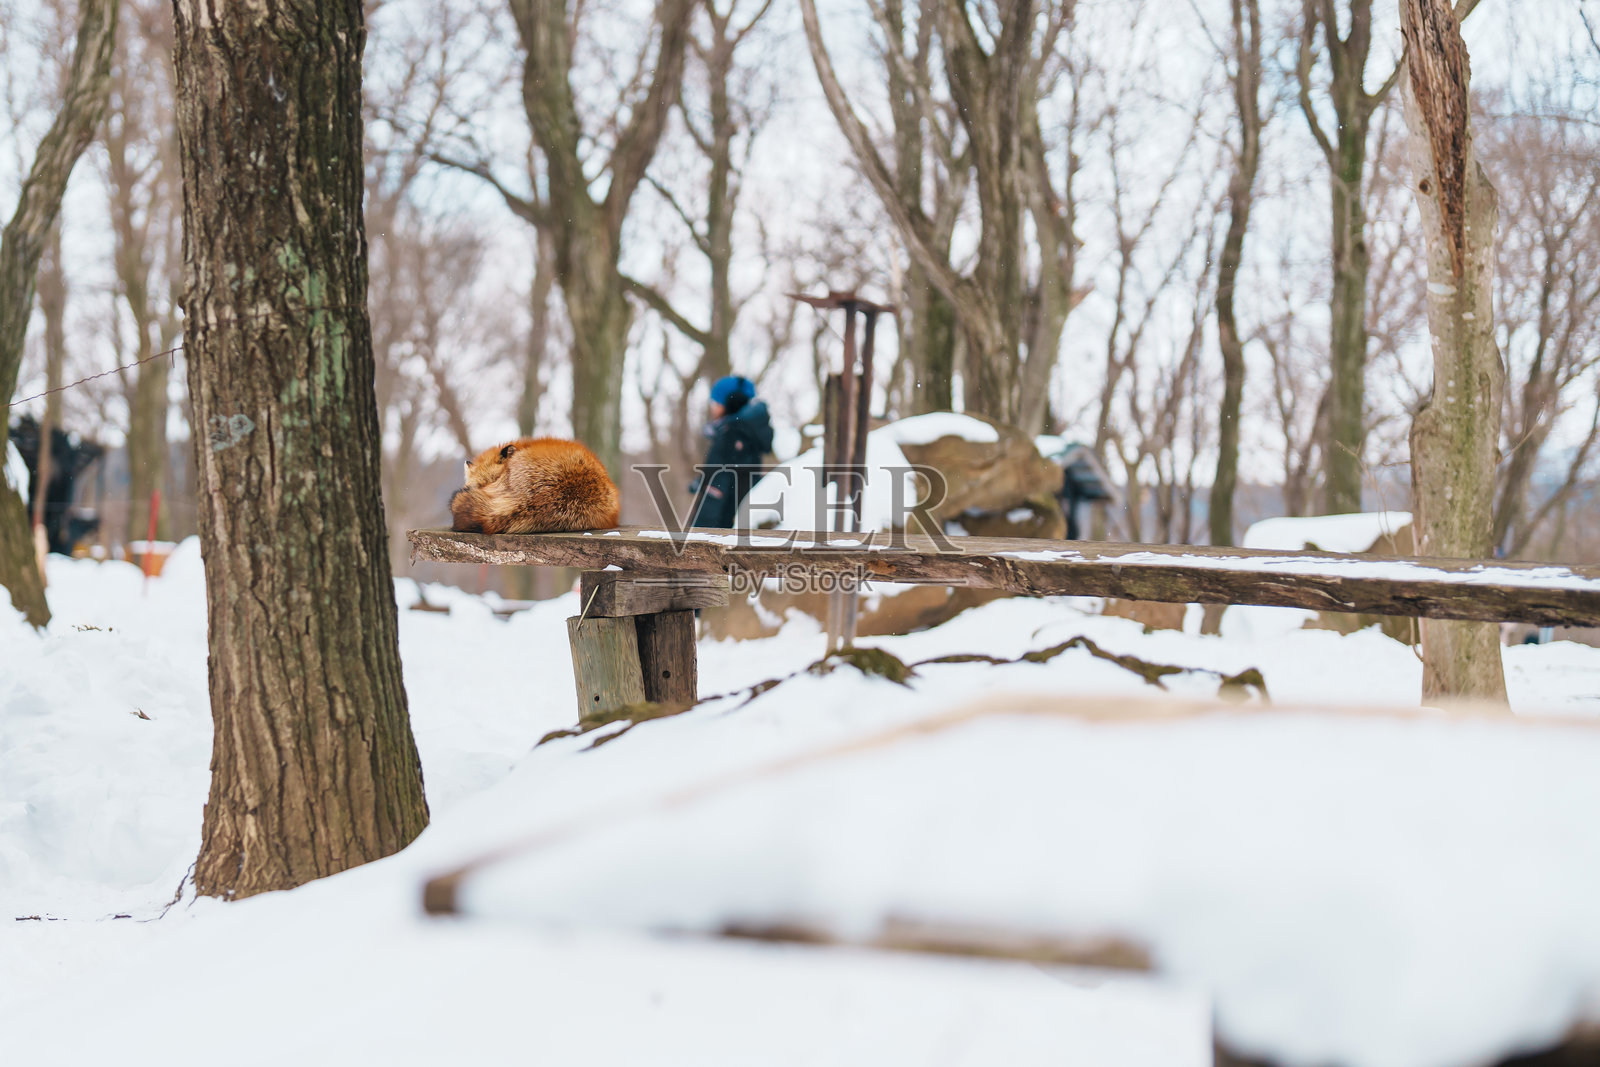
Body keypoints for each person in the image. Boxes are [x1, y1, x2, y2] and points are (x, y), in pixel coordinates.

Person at [690, 375, 773, 528]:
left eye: (716, 403)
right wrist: (702, 481)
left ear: (731, 402)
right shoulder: (739, 431)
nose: (713, 407)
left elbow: (720, 486)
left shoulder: (734, 433)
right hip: (729, 520)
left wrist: (699, 532)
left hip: (721, 524)